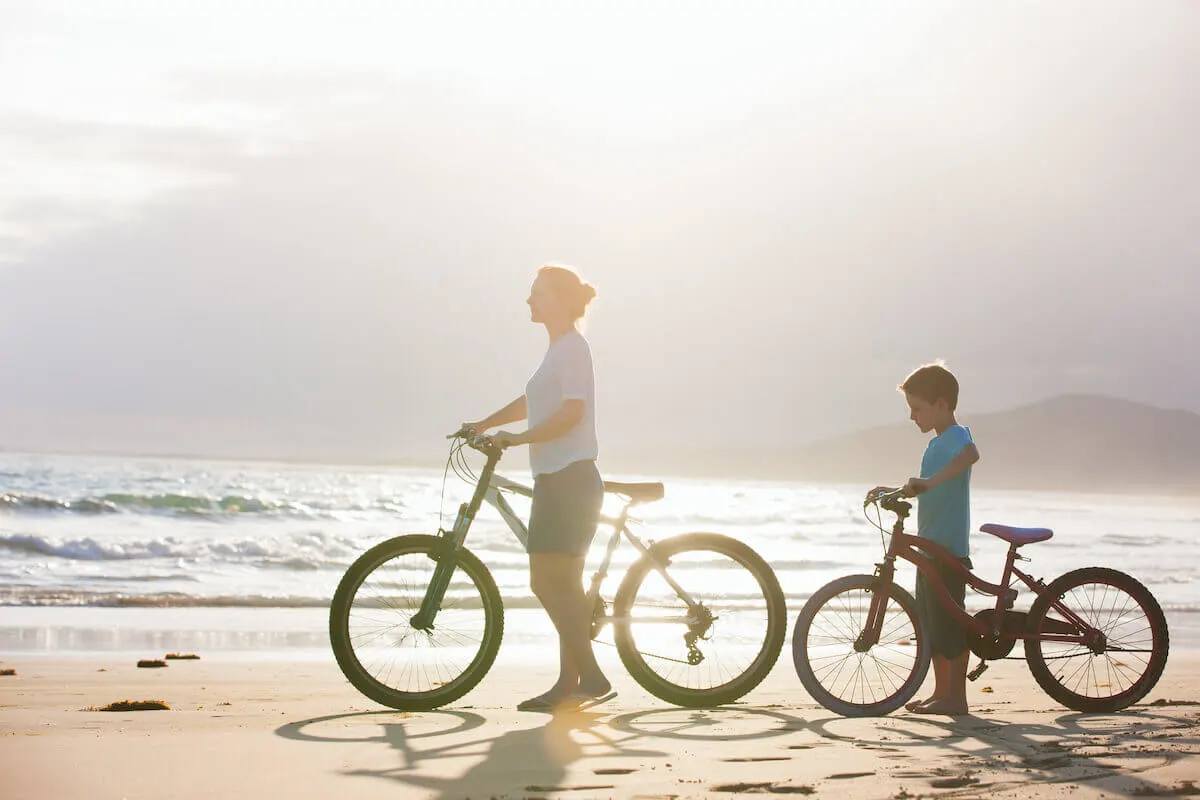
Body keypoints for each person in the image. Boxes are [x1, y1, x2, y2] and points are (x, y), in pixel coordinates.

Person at [460, 264, 613, 712]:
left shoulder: (573, 349)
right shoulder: (557, 351)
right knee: (563, 587)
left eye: (537, 294)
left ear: (562, 301)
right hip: (558, 478)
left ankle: (594, 677)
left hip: (569, 479)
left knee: (548, 583)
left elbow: (571, 413)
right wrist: (486, 423)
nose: (529, 300)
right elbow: (536, 401)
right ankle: (570, 684)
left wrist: (519, 438)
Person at [886, 362, 980, 716]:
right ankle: (942, 694)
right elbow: (924, 485)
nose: (912, 417)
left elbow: (971, 456)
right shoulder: (938, 443)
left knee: (950, 624)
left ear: (942, 404)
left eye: (917, 408)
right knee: (932, 624)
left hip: (947, 549)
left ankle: (956, 697)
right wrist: (893, 491)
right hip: (930, 548)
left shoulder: (957, 437)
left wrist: (931, 483)